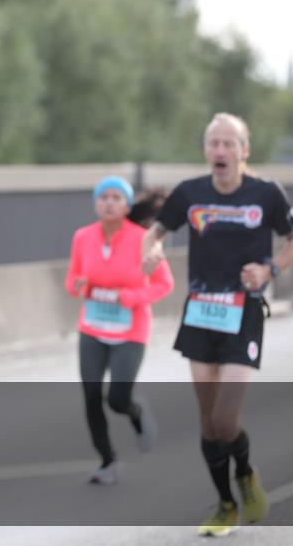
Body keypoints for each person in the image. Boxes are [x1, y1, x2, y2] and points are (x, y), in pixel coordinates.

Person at [141, 113, 293, 536]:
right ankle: (225, 504)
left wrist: (269, 269)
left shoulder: (266, 193)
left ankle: (246, 473)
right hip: (200, 312)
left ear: (243, 151)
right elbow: (155, 232)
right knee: (207, 423)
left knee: (224, 420)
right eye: (213, 143)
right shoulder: (190, 193)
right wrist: (151, 251)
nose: (220, 150)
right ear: (206, 150)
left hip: (243, 313)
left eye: (228, 143)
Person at [65, 177, 174, 484]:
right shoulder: (82, 237)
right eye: (103, 197)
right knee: (91, 396)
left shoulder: (143, 239)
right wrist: (78, 286)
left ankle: (136, 413)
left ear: (127, 206)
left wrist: (130, 297)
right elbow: (72, 280)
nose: (109, 203)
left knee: (117, 398)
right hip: (92, 327)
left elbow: (165, 284)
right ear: (95, 204)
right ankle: (107, 460)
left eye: (116, 197)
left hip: (130, 329)